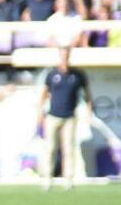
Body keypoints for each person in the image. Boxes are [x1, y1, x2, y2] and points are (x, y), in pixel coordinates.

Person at [39, 46, 91, 189]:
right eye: (62, 55)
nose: (64, 58)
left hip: (70, 117)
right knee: (50, 148)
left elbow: (87, 95)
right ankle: (47, 178)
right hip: (52, 116)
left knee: (68, 148)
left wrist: (89, 111)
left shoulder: (78, 75)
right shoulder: (52, 75)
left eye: (66, 55)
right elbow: (43, 95)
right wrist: (40, 114)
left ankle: (68, 178)